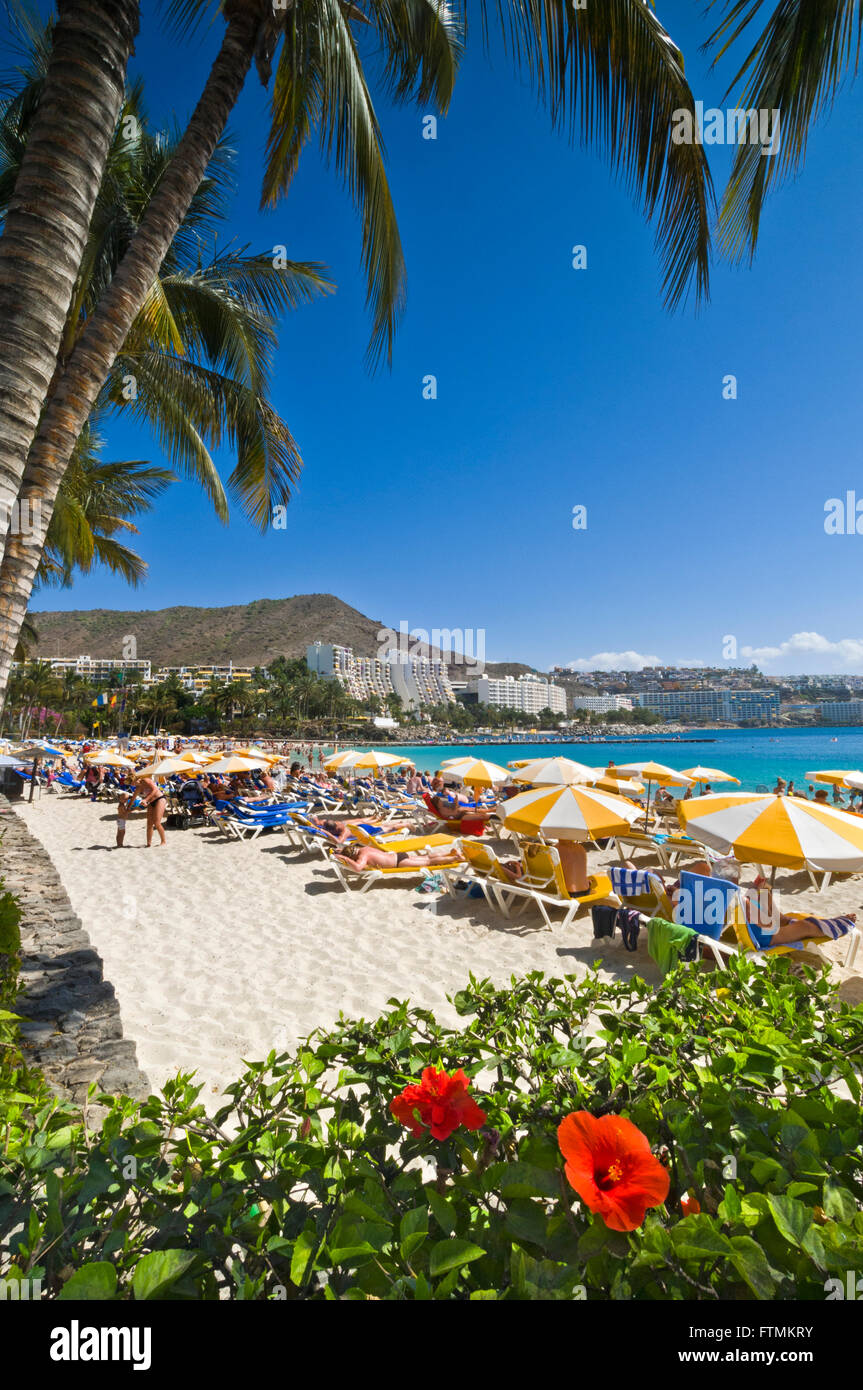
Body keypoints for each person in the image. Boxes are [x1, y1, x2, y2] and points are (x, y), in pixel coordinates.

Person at [336, 842, 456, 871]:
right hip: (398, 855)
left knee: (429, 862)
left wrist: (345, 859)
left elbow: (358, 868)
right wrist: (341, 851)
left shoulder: (362, 855)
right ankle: (449, 853)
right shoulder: (364, 848)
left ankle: (455, 858)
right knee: (427, 857)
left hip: (398, 863)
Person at [137, 775, 167, 847]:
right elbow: (133, 798)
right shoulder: (138, 787)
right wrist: (128, 809)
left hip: (159, 799)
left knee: (157, 822)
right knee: (149, 823)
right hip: (151, 802)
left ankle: (163, 841)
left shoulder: (145, 780)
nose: (132, 785)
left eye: (132, 783)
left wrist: (145, 800)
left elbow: (155, 789)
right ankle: (149, 843)